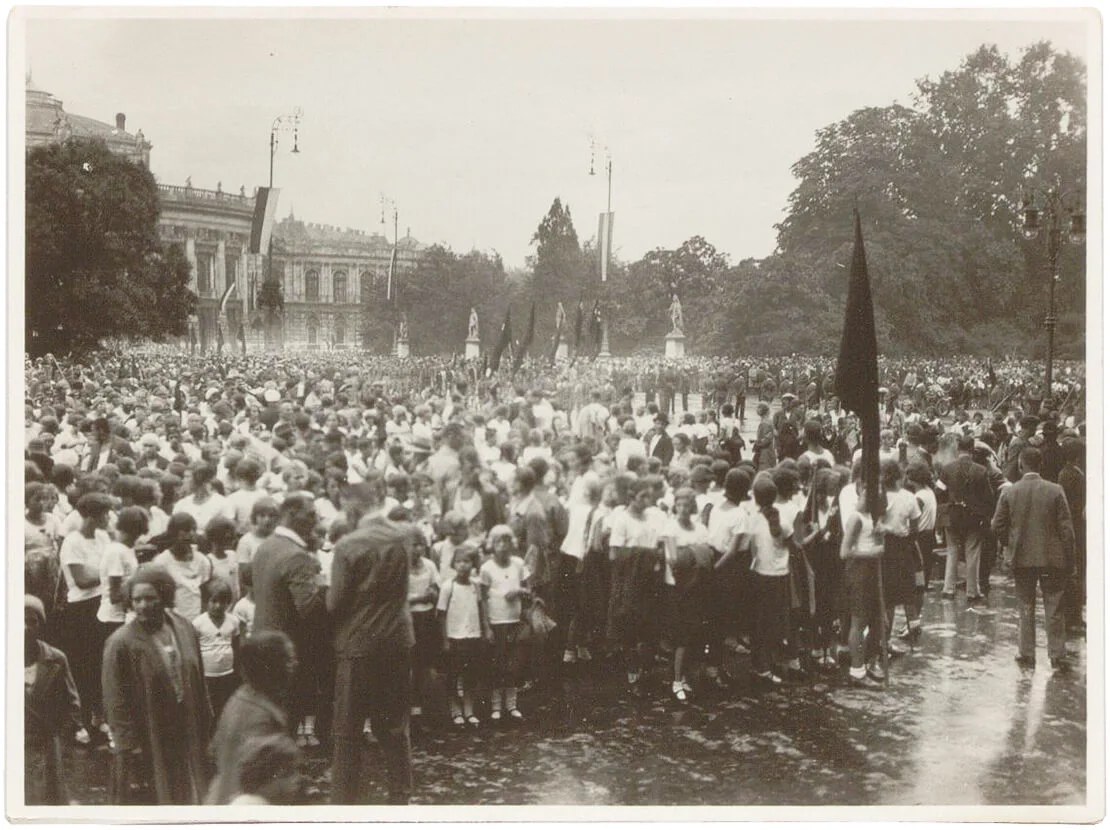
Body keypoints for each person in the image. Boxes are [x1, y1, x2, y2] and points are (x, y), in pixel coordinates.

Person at [327, 478, 415, 805]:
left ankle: (344, 803)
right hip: (397, 639)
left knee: (348, 730)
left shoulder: (348, 546)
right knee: (395, 726)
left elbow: (335, 603)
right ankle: (400, 797)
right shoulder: (403, 536)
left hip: (359, 643)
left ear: (353, 507)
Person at [102, 565, 211, 804]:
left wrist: (205, 723)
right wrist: (129, 746)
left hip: (184, 728)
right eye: (136, 599)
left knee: (187, 790)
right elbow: (114, 700)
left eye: (149, 598)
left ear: (164, 597)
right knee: (153, 795)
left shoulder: (183, 628)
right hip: (147, 734)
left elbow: (198, 679)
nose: (142, 605)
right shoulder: (121, 643)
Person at [252, 492, 329, 748]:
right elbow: (310, 611)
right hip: (287, 650)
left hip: (262, 645)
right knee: (285, 724)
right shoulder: (296, 555)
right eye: (309, 515)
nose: (314, 521)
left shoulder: (266, 546)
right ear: (291, 514)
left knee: (268, 721)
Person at [991, 447, 1076, 673]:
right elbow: (1067, 530)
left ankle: (1026, 652)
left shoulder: (1010, 492)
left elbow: (996, 525)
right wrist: (1071, 561)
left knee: (1025, 605)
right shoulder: (1055, 490)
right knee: (1054, 605)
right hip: (1052, 558)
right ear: (1040, 465)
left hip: (1022, 557)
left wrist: (1009, 543)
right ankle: (1057, 654)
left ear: (1021, 464)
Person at [206, 630, 298, 804]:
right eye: (288, 659)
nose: (294, 663)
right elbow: (260, 778)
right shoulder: (257, 716)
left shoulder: (244, 696)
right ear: (270, 667)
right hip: (243, 802)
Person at [24, 595, 82, 806]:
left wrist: (62, 735)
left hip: (47, 745)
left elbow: (71, 702)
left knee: (48, 798)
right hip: (14, 746)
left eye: (32, 621)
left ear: (40, 625)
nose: (25, 627)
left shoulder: (55, 658)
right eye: (19, 620)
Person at [480, 525, 531, 720]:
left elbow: (528, 589)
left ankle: (511, 705)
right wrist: (486, 626)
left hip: (515, 621)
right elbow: (483, 599)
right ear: (492, 545)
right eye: (499, 542)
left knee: (514, 665)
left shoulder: (518, 564)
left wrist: (519, 592)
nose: (503, 546)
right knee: (497, 664)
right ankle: (496, 707)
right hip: (496, 621)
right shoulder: (487, 568)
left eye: (507, 541)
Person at [937, 435, 994, 606]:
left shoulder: (947, 469)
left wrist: (947, 506)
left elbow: (938, 492)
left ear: (957, 449)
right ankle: (972, 591)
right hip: (974, 518)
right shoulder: (981, 470)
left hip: (953, 515)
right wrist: (985, 515)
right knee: (973, 553)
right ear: (972, 449)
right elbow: (989, 498)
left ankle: (948, 589)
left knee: (952, 551)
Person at [193, 577, 241, 723]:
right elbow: (194, 651)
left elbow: (236, 646)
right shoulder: (198, 623)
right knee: (209, 708)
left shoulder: (233, 621)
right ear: (206, 602)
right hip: (207, 676)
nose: (218, 606)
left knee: (225, 707)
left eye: (223, 602)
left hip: (227, 674)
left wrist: (236, 669)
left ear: (228, 603)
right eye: (214, 601)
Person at [227, 734, 307, 805]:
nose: (298, 778)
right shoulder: (255, 806)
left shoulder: (246, 801)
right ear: (269, 774)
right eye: (290, 772)